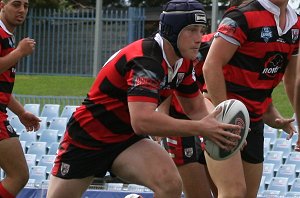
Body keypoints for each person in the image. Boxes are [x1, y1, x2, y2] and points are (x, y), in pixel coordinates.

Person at [46, 0, 242, 198]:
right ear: (172, 30)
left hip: (126, 139)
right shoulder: (146, 61)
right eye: (192, 29)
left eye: (202, 30)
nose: (199, 38)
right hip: (88, 139)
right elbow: (142, 121)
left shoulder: (182, 62)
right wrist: (202, 128)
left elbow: (195, 107)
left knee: (170, 184)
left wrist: (226, 127)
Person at [203, 0, 300, 197]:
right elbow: (211, 66)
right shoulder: (241, 17)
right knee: (233, 193)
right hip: (221, 114)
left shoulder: (296, 25)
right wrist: (226, 118)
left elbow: (292, 79)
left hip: (254, 119)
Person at [0, 0, 41, 197]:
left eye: (25, 6)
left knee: (18, 175)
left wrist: (21, 112)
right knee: (18, 175)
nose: (22, 10)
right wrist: (19, 52)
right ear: (2, 5)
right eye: (16, 4)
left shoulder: (7, 37)